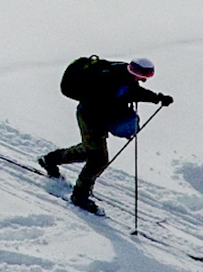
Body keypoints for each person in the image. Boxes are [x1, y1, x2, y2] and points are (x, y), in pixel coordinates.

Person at [39, 57, 172, 214]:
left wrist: (157, 98)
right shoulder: (109, 79)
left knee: (90, 151)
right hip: (90, 118)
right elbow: (110, 100)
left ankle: (50, 160)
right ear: (134, 71)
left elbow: (133, 92)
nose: (143, 80)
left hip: (99, 118)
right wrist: (119, 120)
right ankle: (79, 196)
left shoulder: (125, 75)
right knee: (98, 159)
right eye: (143, 76)